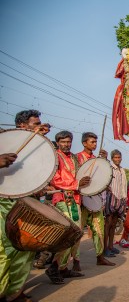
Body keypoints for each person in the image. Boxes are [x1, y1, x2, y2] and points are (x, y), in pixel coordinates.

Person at [1, 110, 50, 301]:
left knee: (26, 248)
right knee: (4, 252)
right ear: (22, 126)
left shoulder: (36, 147)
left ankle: (15, 292)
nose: (40, 126)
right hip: (4, 202)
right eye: (35, 123)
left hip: (27, 202)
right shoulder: (6, 140)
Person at [45, 131, 90, 284]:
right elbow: (55, 179)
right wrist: (76, 185)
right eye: (63, 142)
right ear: (58, 143)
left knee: (75, 234)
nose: (66, 144)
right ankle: (54, 266)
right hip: (62, 199)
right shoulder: (54, 157)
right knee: (68, 234)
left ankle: (62, 268)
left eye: (68, 142)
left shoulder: (74, 158)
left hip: (75, 198)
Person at [76, 132, 114, 266]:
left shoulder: (97, 159)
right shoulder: (77, 158)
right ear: (84, 143)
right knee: (78, 231)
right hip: (81, 199)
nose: (95, 144)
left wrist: (105, 160)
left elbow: (103, 177)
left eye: (95, 142)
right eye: (92, 142)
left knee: (99, 229)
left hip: (96, 199)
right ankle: (76, 261)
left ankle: (100, 256)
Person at [104, 150, 127, 256]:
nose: (117, 159)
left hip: (120, 198)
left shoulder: (122, 170)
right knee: (108, 224)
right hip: (111, 197)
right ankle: (105, 248)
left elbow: (123, 185)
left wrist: (124, 198)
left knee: (114, 224)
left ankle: (111, 246)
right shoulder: (109, 168)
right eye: (116, 157)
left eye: (119, 157)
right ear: (112, 158)